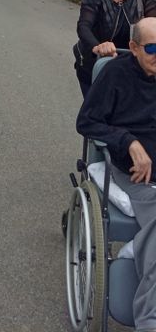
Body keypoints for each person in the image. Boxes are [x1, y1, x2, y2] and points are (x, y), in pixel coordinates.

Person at [76, 17, 156, 332]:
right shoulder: (115, 74)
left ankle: (137, 249)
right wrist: (129, 142)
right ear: (133, 48)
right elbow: (87, 122)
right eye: (152, 48)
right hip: (136, 175)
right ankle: (150, 318)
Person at [74, 0, 156, 97]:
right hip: (96, 64)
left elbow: (154, 24)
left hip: (132, 64)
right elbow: (83, 26)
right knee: (99, 107)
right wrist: (98, 46)